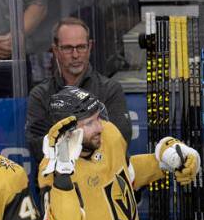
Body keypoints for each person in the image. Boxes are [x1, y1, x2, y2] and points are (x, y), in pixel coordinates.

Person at [38, 87, 199, 220]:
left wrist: (165, 161)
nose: (99, 127)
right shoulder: (50, 172)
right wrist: (63, 172)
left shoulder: (109, 134)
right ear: (68, 132)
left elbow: (125, 176)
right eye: (89, 123)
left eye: (98, 118)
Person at [25, 17, 132, 164]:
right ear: (56, 50)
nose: (75, 55)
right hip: (59, 182)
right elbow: (38, 148)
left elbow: (120, 140)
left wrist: (64, 136)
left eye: (81, 47)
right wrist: (89, 137)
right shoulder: (40, 95)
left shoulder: (110, 89)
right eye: (68, 48)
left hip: (102, 178)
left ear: (90, 47)